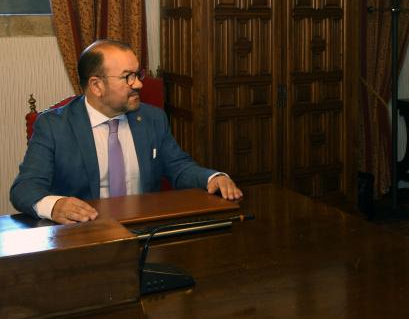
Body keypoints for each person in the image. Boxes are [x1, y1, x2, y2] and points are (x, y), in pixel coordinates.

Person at [10, 39, 243, 224]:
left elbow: (178, 167)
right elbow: (24, 188)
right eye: (127, 77)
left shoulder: (152, 118)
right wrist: (55, 205)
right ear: (96, 85)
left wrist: (213, 178)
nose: (138, 84)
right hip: (84, 234)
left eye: (137, 75)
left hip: (145, 230)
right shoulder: (54, 126)